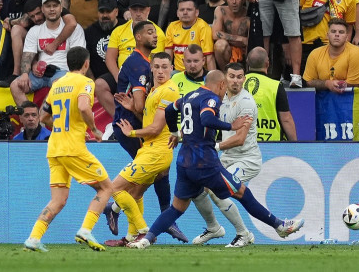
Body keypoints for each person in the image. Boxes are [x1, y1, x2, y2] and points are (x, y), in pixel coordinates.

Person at [124, 69, 305, 249]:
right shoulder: (210, 98)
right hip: (204, 162)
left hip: (184, 161)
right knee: (242, 192)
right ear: (220, 84)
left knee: (176, 208)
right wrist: (230, 125)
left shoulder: (188, 96)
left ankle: (145, 240)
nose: (223, 92)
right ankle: (279, 226)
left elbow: (170, 110)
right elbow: (206, 118)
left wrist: (173, 133)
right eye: (223, 87)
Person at [23, 46, 113, 253]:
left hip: (54, 149)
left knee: (58, 199)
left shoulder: (57, 84)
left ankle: (34, 238)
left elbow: (43, 116)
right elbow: (83, 107)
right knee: (106, 187)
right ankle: (86, 230)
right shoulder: (86, 82)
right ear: (86, 63)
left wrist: (61, 125)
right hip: (73, 148)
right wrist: (94, 129)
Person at [106, 20, 188, 243]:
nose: (155, 36)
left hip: (143, 131)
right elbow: (142, 107)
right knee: (143, 180)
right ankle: (150, 224)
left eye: (164, 67)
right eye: (150, 32)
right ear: (138, 37)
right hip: (133, 128)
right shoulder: (138, 64)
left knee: (142, 183)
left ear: (171, 69)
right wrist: (134, 112)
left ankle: (132, 229)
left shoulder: (159, 81)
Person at [188, 63, 259, 247]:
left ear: (244, 79)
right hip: (226, 158)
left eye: (240, 76)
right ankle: (213, 228)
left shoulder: (246, 102)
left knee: (220, 192)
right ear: (224, 79)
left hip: (246, 159)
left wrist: (216, 146)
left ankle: (243, 234)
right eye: (232, 76)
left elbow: (240, 138)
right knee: (197, 191)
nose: (236, 81)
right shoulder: (220, 99)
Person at [10, 0, 86, 105]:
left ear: (61, 8)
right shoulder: (35, 30)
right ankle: (30, 113)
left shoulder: (76, 29)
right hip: (39, 74)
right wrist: (25, 74)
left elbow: (79, 57)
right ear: (42, 10)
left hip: (62, 72)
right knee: (15, 85)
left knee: (58, 86)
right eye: (48, 6)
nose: (51, 9)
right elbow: (27, 56)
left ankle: (40, 118)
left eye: (55, 6)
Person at [97, 0, 166, 117]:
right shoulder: (119, 31)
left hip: (144, 75)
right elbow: (110, 58)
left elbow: (155, 61)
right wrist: (118, 77)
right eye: (135, 10)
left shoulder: (157, 33)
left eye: (142, 10)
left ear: (148, 10)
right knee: (99, 85)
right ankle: (118, 118)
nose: (138, 13)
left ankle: (143, 121)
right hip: (122, 74)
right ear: (129, 10)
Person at [244, 46, 297, 141]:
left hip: (240, 142)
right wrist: (295, 145)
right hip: (271, 144)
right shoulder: (275, 86)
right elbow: (286, 119)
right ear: (267, 63)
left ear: (247, 62)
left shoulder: (234, 84)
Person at [303, 18, 359, 91]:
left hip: (350, 99)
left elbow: (356, 83)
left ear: (346, 37)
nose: (337, 34)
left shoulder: (357, 54)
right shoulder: (315, 54)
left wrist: (333, 84)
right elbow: (309, 81)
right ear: (327, 35)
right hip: (322, 99)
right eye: (333, 31)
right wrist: (327, 83)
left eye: (341, 32)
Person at [165, 0, 215, 72]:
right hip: (178, 72)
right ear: (177, 13)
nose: (185, 12)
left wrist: (212, 79)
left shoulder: (203, 27)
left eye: (189, 9)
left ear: (197, 12)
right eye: (182, 10)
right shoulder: (172, 27)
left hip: (198, 71)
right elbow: (168, 56)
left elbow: (209, 57)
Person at [84, 0, 122, 79]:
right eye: (101, 12)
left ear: (116, 12)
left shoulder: (126, 27)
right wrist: (92, 81)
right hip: (98, 80)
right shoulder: (89, 32)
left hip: (124, 78)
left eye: (108, 11)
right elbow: (85, 60)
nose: (105, 15)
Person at [212, 0, 249, 68]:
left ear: (243, 0)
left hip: (244, 52)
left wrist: (245, 41)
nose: (234, 1)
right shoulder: (220, 10)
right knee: (220, 44)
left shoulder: (248, 14)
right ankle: (225, 73)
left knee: (251, 46)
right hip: (227, 50)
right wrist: (241, 39)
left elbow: (249, 41)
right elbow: (215, 34)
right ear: (226, 0)